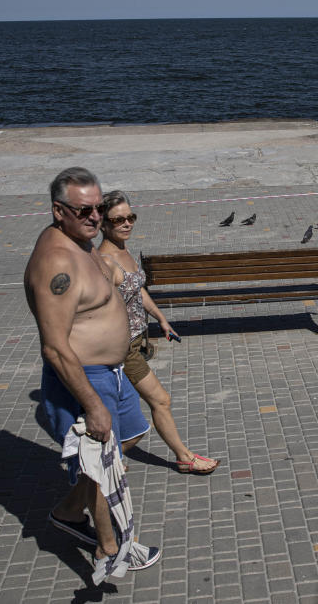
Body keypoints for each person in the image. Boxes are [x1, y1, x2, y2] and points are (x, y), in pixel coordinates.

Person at [24, 167, 160, 571]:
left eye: (98, 208)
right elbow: (55, 347)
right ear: (58, 210)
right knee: (104, 467)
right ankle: (108, 547)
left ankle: (67, 510)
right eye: (83, 211)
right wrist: (92, 404)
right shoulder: (56, 263)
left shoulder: (82, 243)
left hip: (114, 372)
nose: (94, 218)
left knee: (131, 435)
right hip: (85, 378)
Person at [98, 190, 220, 474]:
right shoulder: (105, 261)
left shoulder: (123, 250)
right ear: (103, 223)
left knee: (124, 413)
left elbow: (138, 290)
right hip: (123, 349)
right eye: (118, 220)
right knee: (161, 400)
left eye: (131, 217)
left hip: (138, 341)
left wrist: (161, 318)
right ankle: (183, 458)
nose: (127, 224)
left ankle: (105, 461)